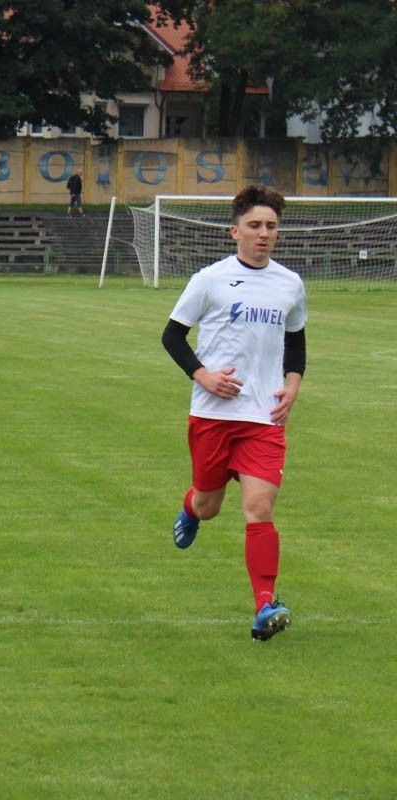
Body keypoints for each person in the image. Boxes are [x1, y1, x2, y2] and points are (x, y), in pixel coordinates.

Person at [161, 184, 307, 642]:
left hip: (264, 418)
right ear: (234, 231)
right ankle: (190, 508)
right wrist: (202, 376)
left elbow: (296, 339)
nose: (264, 234)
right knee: (209, 505)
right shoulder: (209, 280)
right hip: (212, 416)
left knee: (259, 509)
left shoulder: (290, 283)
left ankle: (265, 605)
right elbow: (171, 336)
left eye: (271, 227)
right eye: (255, 226)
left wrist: (293, 385)